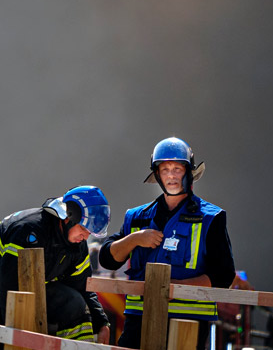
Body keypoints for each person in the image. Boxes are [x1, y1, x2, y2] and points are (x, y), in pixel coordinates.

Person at [99, 137, 235, 349]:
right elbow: (108, 259)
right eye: (165, 169)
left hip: (189, 321)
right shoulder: (137, 217)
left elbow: (224, 275)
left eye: (177, 168)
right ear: (157, 175)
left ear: (189, 172)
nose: (171, 175)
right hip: (140, 318)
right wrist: (135, 239)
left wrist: (174, 289)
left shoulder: (211, 218)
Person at [0, 185, 113, 349]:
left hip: (18, 291)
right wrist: (20, 339)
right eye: (84, 229)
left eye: (90, 233)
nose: (85, 236)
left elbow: (82, 286)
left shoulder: (77, 246)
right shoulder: (30, 231)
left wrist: (102, 323)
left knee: (73, 303)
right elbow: (9, 287)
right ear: (68, 218)